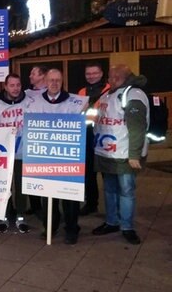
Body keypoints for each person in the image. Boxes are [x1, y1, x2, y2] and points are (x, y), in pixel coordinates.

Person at [25, 69, 89, 245]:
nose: (54, 83)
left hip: (68, 157)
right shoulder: (34, 103)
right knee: (48, 196)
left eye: (58, 80)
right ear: (45, 81)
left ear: (62, 81)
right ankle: (51, 227)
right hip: (44, 157)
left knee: (69, 197)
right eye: (51, 80)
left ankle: (71, 228)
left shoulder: (76, 102)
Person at [92, 64, 149, 245]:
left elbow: (137, 127)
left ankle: (127, 226)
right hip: (106, 153)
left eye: (110, 77)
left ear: (117, 78)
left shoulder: (133, 95)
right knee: (109, 190)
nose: (108, 79)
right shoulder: (106, 95)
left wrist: (134, 155)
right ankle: (111, 221)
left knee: (126, 191)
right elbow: (95, 118)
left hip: (124, 155)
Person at [0, 74, 31, 234]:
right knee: (4, 186)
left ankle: (20, 215)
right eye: (12, 85)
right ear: (5, 86)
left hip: (22, 152)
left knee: (21, 186)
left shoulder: (29, 102)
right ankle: (3, 215)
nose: (15, 88)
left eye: (18, 85)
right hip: (2, 154)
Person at [78, 63, 111, 216]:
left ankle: (111, 207)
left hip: (105, 135)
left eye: (94, 73)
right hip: (87, 135)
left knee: (107, 173)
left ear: (101, 73)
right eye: (88, 73)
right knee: (88, 173)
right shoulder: (82, 92)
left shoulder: (110, 90)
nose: (91, 76)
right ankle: (91, 203)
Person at [24, 65, 48, 215]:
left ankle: (46, 204)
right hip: (29, 137)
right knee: (31, 172)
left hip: (45, 138)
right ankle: (34, 205)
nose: (30, 76)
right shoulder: (25, 94)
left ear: (42, 76)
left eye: (33, 73)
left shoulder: (50, 93)